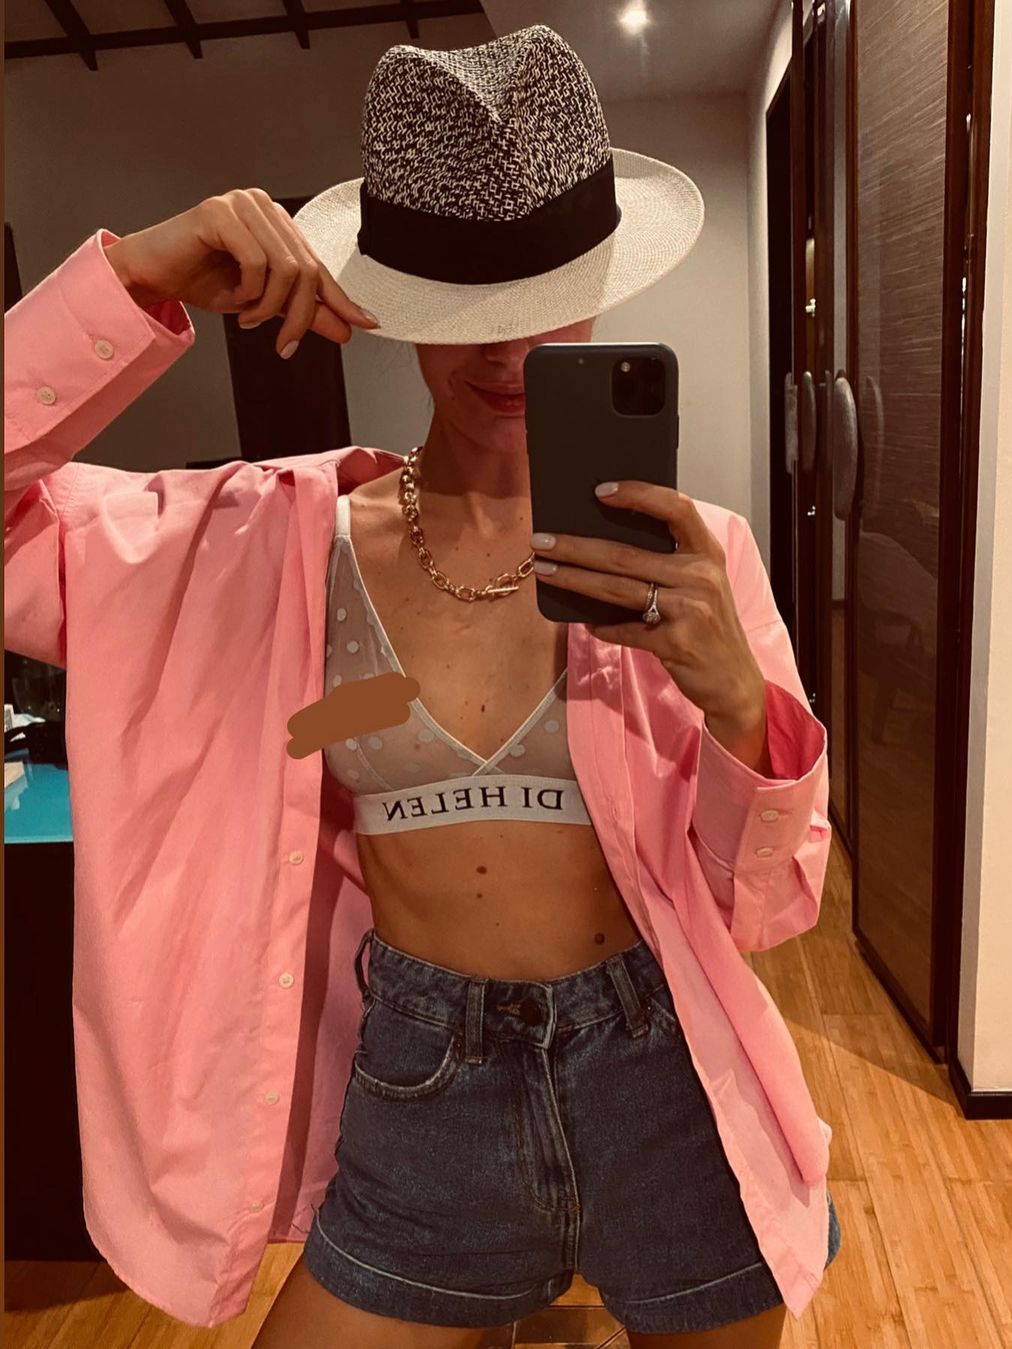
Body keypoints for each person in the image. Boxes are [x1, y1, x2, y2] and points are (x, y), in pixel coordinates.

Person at [4, 24, 839, 1349]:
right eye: (464, 312)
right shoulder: (266, 548)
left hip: (666, 1075)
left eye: (543, 300)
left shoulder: (696, 557)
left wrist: (743, 708)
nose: (506, 354)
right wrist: (131, 280)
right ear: (396, 301)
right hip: (424, 1087)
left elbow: (770, 906)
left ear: (602, 287)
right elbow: (320, 737)